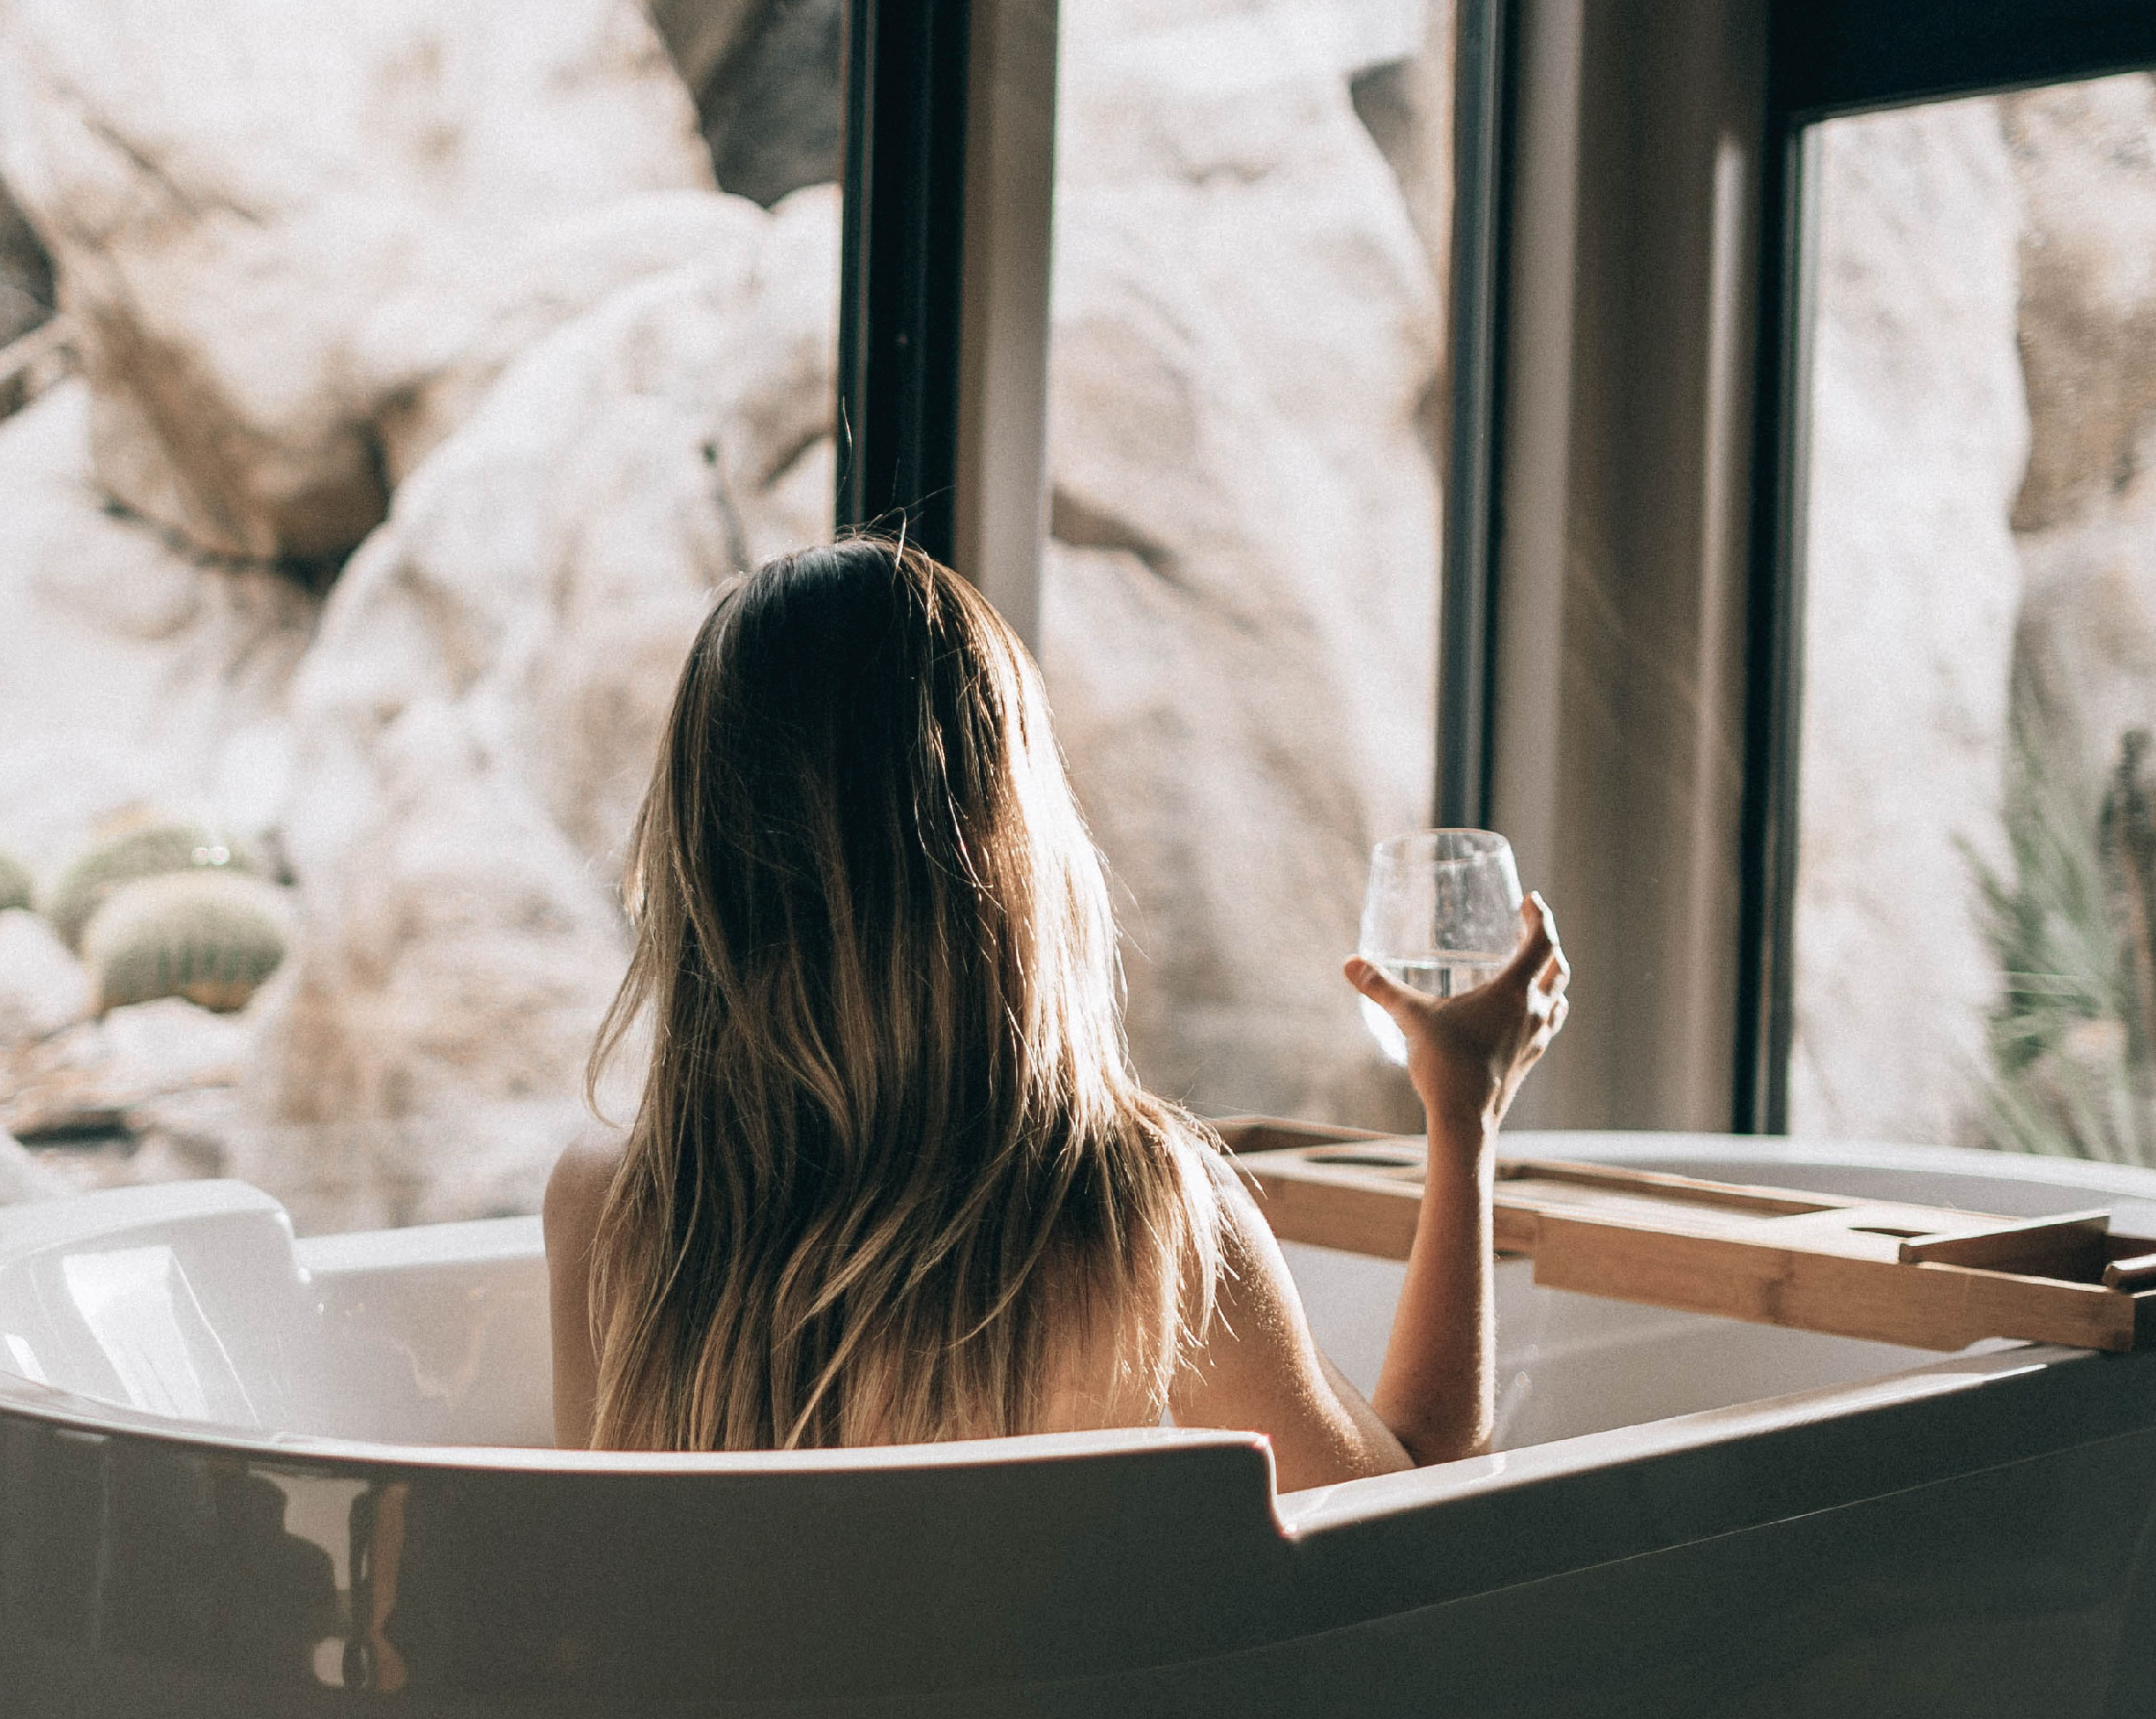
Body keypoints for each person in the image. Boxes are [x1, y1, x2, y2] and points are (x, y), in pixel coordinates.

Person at [543, 537, 1565, 1488]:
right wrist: (1462, 1115)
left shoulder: (606, 1212)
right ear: (1012, 853)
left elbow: (616, 1590)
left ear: (699, 861)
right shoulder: (1137, 1218)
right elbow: (1408, 1523)